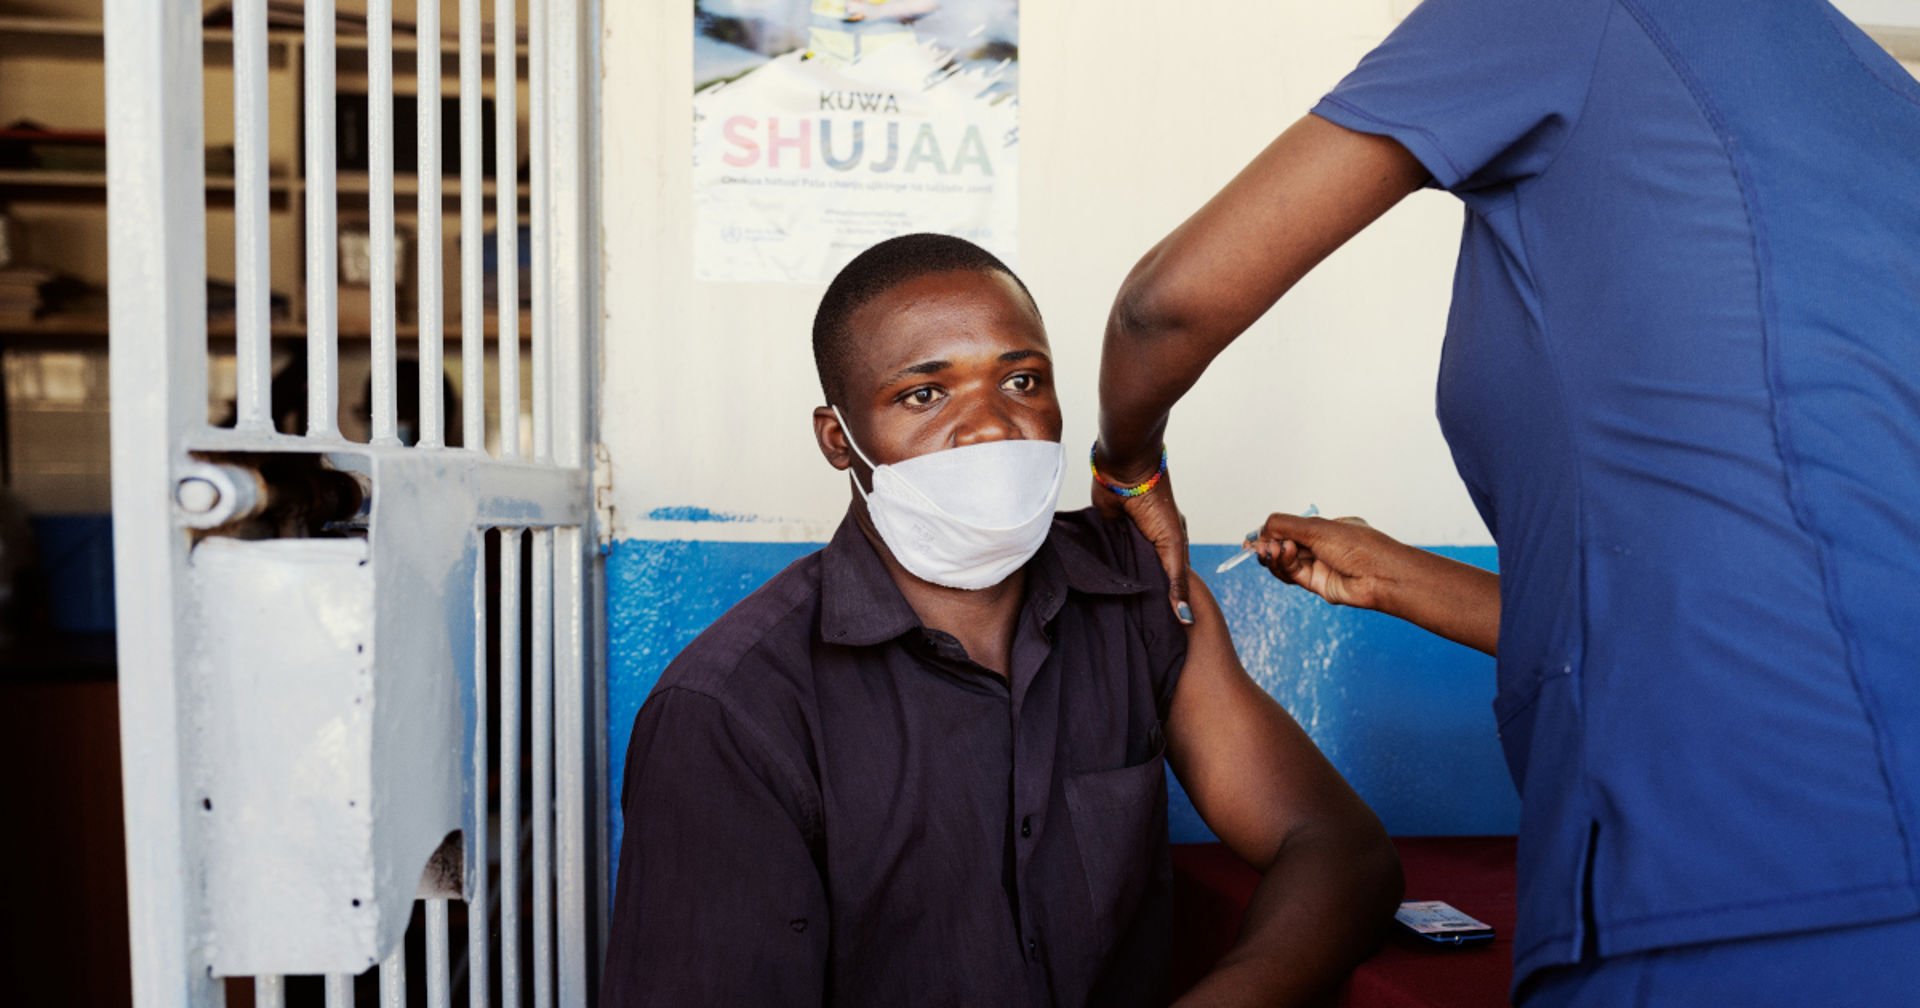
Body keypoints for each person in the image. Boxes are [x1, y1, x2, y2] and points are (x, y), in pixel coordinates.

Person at [1091, 0, 1920, 1004]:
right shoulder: (1877, 96)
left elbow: (1161, 306)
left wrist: (1128, 470)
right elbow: (1793, 595)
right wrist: (1398, 577)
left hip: (1733, 861)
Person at [601, 233, 1400, 1007]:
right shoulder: (733, 711)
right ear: (838, 441)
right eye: (924, 393)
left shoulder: (1138, 599)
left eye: (1021, 382)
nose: (989, 425)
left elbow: (1338, 849)